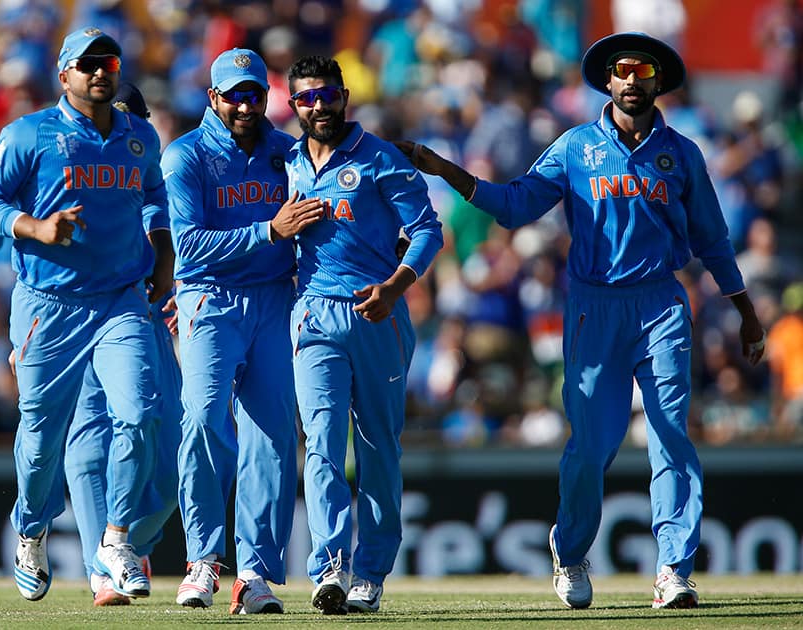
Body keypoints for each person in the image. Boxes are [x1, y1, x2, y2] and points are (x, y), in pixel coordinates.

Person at [395, 32, 766, 610]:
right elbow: (517, 206)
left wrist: (746, 311)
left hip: (662, 303)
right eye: (623, 70)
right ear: (608, 81)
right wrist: (448, 171)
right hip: (594, 305)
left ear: (657, 83)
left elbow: (713, 240)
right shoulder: (574, 148)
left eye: (645, 72)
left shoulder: (683, 153)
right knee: (593, 446)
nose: (633, 81)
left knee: (670, 435)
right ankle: (569, 553)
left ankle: (675, 569)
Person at [0, 27, 172, 602]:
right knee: (40, 440)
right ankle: (31, 530)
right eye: (87, 65)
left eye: (108, 62)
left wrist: (161, 251)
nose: (100, 72)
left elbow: (155, 194)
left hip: (120, 300)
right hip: (48, 306)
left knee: (139, 412)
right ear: (64, 75)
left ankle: (114, 540)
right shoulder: (28, 134)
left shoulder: (139, 136)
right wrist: (36, 228)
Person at [161, 48, 323, 614]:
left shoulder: (288, 151)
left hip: (276, 301)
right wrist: (269, 232)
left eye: (255, 94)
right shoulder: (186, 156)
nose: (246, 105)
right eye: (234, 95)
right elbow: (188, 246)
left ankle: (255, 574)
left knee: (273, 438)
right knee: (204, 420)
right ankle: (202, 561)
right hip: (209, 301)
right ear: (213, 98)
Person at [284, 55, 443, 615]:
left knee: (377, 447)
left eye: (326, 95)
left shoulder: (381, 157)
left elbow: (427, 231)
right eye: (307, 98)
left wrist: (396, 286)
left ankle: (370, 572)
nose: (319, 106)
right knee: (323, 442)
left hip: (378, 313)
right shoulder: (287, 161)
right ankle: (329, 563)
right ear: (293, 105)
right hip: (315, 315)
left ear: (345, 95)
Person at [61, 82, 182, 606]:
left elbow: (180, 231)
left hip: (150, 318)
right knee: (89, 446)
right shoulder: (71, 168)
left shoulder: (153, 165)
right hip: (85, 317)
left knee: (171, 446)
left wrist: (185, 284)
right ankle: (103, 568)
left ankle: (132, 541)